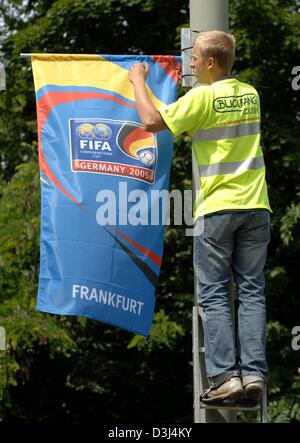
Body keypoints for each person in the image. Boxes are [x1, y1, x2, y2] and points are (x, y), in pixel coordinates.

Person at [129, 31, 271, 403]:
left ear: (210, 63)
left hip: (218, 209)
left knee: (214, 293)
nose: (189, 64)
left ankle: (226, 376)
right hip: (257, 207)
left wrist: (138, 80)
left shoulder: (202, 97)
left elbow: (149, 119)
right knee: (252, 292)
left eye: (194, 58)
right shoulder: (250, 94)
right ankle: (254, 374)